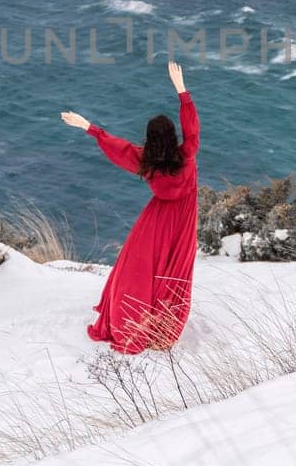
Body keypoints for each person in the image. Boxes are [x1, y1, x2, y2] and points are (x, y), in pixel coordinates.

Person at [60, 61, 198, 354]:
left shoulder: (144, 160)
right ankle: (162, 328)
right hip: (183, 219)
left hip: (157, 217)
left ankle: (130, 322)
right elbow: (193, 130)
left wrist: (89, 127)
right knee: (173, 273)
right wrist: (181, 90)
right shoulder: (187, 155)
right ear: (173, 137)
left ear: (150, 139)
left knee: (137, 269)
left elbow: (117, 146)